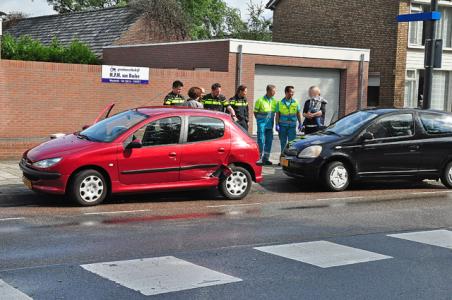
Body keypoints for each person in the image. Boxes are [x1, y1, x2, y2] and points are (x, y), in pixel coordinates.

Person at [275, 86, 303, 156]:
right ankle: (282, 159)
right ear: (286, 92)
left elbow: (298, 113)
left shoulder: (295, 102)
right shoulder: (279, 103)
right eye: (290, 92)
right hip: (282, 127)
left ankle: (290, 159)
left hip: (292, 127)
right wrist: (277, 125)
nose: (292, 94)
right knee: (283, 143)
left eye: (293, 92)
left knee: (292, 143)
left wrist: (300, 123)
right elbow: (277, 115)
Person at [254, 85, 278, 165]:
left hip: (270, 125)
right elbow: (255, 112)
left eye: (275, 91)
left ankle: (266, 159)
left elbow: (276, 113)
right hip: (261, 124)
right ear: (268, 91)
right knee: (261, 141)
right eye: (273, 91)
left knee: (269, 141)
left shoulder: (275, 101)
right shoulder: (260, 100)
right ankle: (259, 158)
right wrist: (259, 121)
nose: (274, 92)